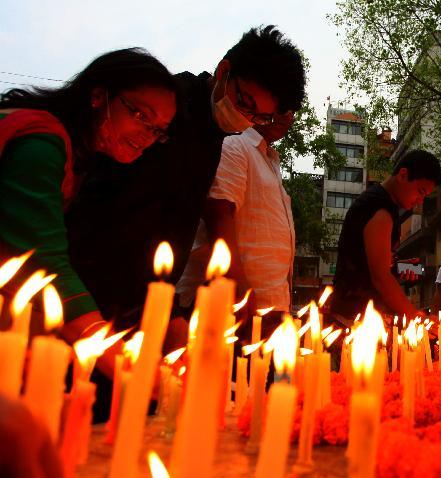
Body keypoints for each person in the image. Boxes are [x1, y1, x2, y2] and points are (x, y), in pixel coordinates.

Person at [65, 26, 306, 334]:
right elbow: (120, 222)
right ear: (223, 71)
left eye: (260, 117)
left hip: (149, 302)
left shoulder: (215, 134)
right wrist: (165, 314)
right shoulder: (171, 113)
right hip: (97, 296)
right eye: (245, 102)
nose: (247, 118)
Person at [0, 48, 177, 346]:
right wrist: (122, 365)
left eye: (158, 130)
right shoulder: (40, 143)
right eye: (140, 115)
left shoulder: (79, 162)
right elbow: (43, 262)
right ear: (98, 96)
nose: (147, 135)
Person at [176, 110, 296, 333]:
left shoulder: (269, 160)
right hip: (235, 307)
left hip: (268, 306)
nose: (287, 117)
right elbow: (219, 211)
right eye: (282, 107)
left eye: (293, 112)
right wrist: (239, 286)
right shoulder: (235, 144)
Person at [330, 149, 441, 324]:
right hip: (354, 318)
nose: (420, 200)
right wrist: (418, 319)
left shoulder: (381, 204)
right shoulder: (380, 209)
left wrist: (396, 269)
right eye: (420, 191)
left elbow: (369, 264)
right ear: (403, 175)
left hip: (360, 314)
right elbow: (380, 277)